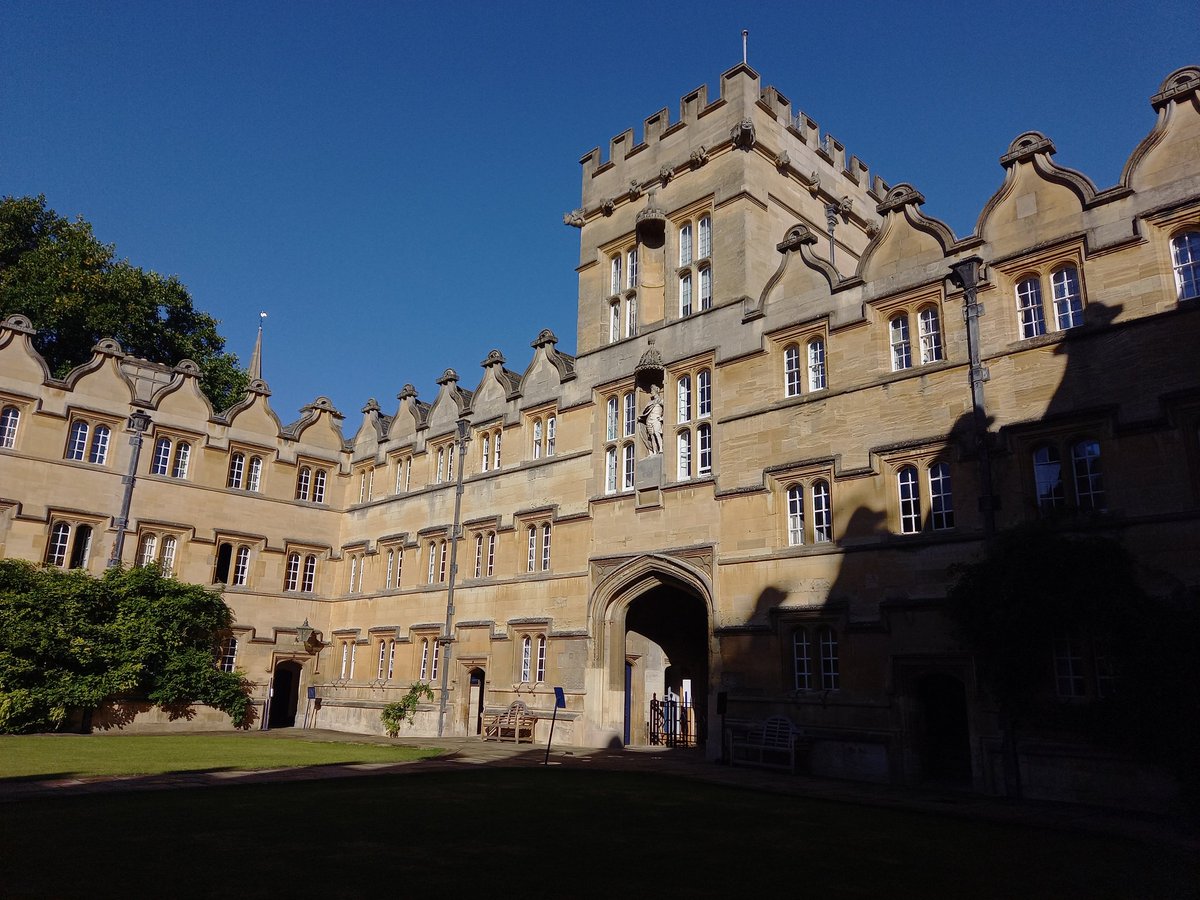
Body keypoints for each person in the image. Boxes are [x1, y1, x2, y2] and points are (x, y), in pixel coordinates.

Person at [639, 385, 664, 455]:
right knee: (652, 436)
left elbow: (668, 408)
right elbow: (646, 412)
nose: (651, 392)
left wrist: (662, 418)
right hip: (649, 421)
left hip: (656, 419)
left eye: (652, 391)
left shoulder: (660, 400)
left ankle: (661, 449)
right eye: (651, 391)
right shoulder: (650, 402)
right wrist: (641, 418)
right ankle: (654, 451)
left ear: (656, 391)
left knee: (657, 433)